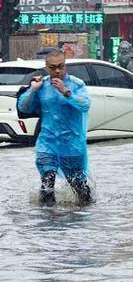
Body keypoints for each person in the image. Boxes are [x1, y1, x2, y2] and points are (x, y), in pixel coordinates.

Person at [17, 51, 93, 206]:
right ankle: (47, 221)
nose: (57, 71)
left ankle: (84, 216)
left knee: (80, 187)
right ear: (46, 68)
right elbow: (24, 107)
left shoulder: (76, 85)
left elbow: (85, 104)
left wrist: (66, 92)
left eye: (61, 67)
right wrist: (33, 89)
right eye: (53, 68)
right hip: (47, 143)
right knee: (47, 184)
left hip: (72, 144)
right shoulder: (42, 85)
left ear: (65, 66)